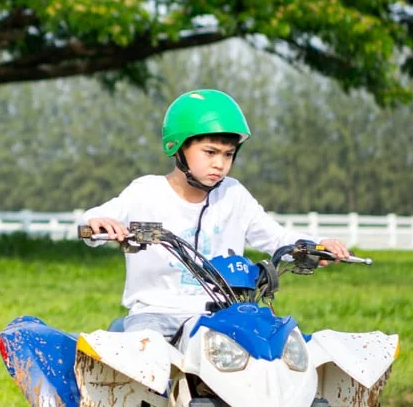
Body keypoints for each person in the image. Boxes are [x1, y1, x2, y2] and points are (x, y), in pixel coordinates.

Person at [78, 88, 351, 344]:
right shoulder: (147, 191)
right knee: (144, 354)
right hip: (156, 314)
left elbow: (276, 238)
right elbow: (95, 220)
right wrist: (97, 222)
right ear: (178, 147)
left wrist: (315, 246)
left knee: (279, 349)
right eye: (210, 152)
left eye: (228, 154)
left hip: (221, 314)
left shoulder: (233, 194)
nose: (220, 164)